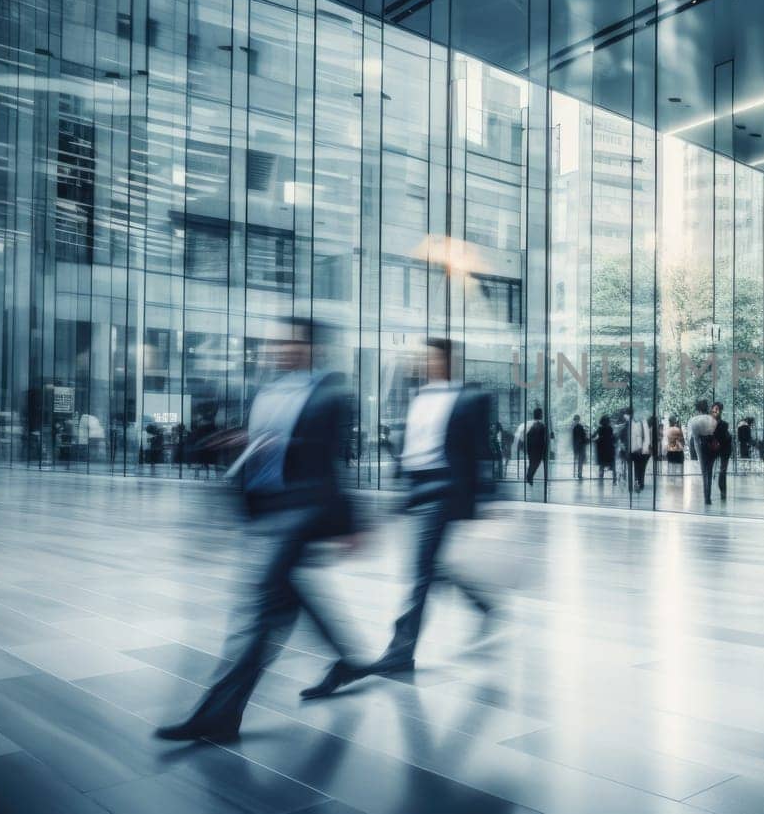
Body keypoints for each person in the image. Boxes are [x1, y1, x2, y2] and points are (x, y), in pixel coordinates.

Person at [156, 317, 362, 741]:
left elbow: (331, 460)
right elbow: (258, 442)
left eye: (291, 342)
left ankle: (220, 713)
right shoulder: (267, 391)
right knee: (288, 596)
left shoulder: (330, 394)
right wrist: (239, 440)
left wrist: (349, 524)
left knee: (259, 610)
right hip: (265, 508)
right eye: (277, 343)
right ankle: (347, 659)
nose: (281, 349)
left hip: (301, 508)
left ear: (311, 348)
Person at [307, 338, 501, 696]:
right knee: (430, 565)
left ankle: (401, 650)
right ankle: (482, 605)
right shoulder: (419, 397)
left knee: (421, 568)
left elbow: (479, 449)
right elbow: (412, 443)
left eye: (431, 357)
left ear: (447, 360)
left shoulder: (470, 398)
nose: (425, 362)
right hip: (417, 487)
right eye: (423, 358)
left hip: (446, 486)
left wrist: (486, 497)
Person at [687, 400, 718, 504]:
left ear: (698, 409)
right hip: (712, 446)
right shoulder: (713, 420)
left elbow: (694, 439)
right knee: (709, 471)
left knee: (704, 472)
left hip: (701, 446)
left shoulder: (694, 420)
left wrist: (698, 453)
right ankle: (708, 496)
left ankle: (706, 497)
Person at [711, 402, 733, 501]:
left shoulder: (723, 424)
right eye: (714, 409)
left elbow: (724, 438)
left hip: (724, 448)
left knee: (722, 471)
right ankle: (721, 492)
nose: (715, 411)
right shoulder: (710, 423)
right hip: (716, 448)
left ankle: (723, 492)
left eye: (717, 409)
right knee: (719, 470)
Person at [520, 407, 547, 485]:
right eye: (541, 414)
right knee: (535, 463)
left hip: (531, 448)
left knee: (532, 462)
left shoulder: (530, 425)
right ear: (540, 415)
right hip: (538, 448)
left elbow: (527, 436)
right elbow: (542, 439)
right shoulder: (541, 426)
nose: (542, 415)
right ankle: (529, 476)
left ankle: (529, 476)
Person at [630, 412, 652, 492]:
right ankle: (639, 482)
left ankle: (639, 482)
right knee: (640, 467)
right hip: (638, 449)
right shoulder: (640, 423)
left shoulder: (641, 423)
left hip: (641, 449)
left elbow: (646, 438)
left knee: (640, 467)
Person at [570, 415, 588, 479]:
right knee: (580, 461)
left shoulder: (573, 427)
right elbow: (583, 436)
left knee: (576, 460)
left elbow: (573, 438)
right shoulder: (580, 427)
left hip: (576, 446)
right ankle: (579, 474)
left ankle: (575, 473)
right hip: (580, 446)